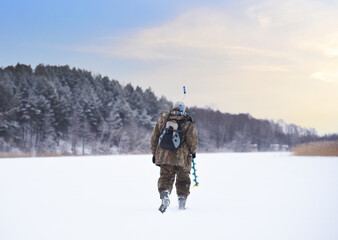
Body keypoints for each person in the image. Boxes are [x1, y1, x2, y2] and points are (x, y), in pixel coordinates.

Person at [150, 102, 198, 213]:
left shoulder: (163, 119)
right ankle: (182, 204)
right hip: (182, 158)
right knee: (183, 180)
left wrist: (154, 153)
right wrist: (193, 152)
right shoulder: (187, 121)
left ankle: (165, 195)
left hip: (164, 156)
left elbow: (154, 137)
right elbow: (192, 140)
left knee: (165, 178)